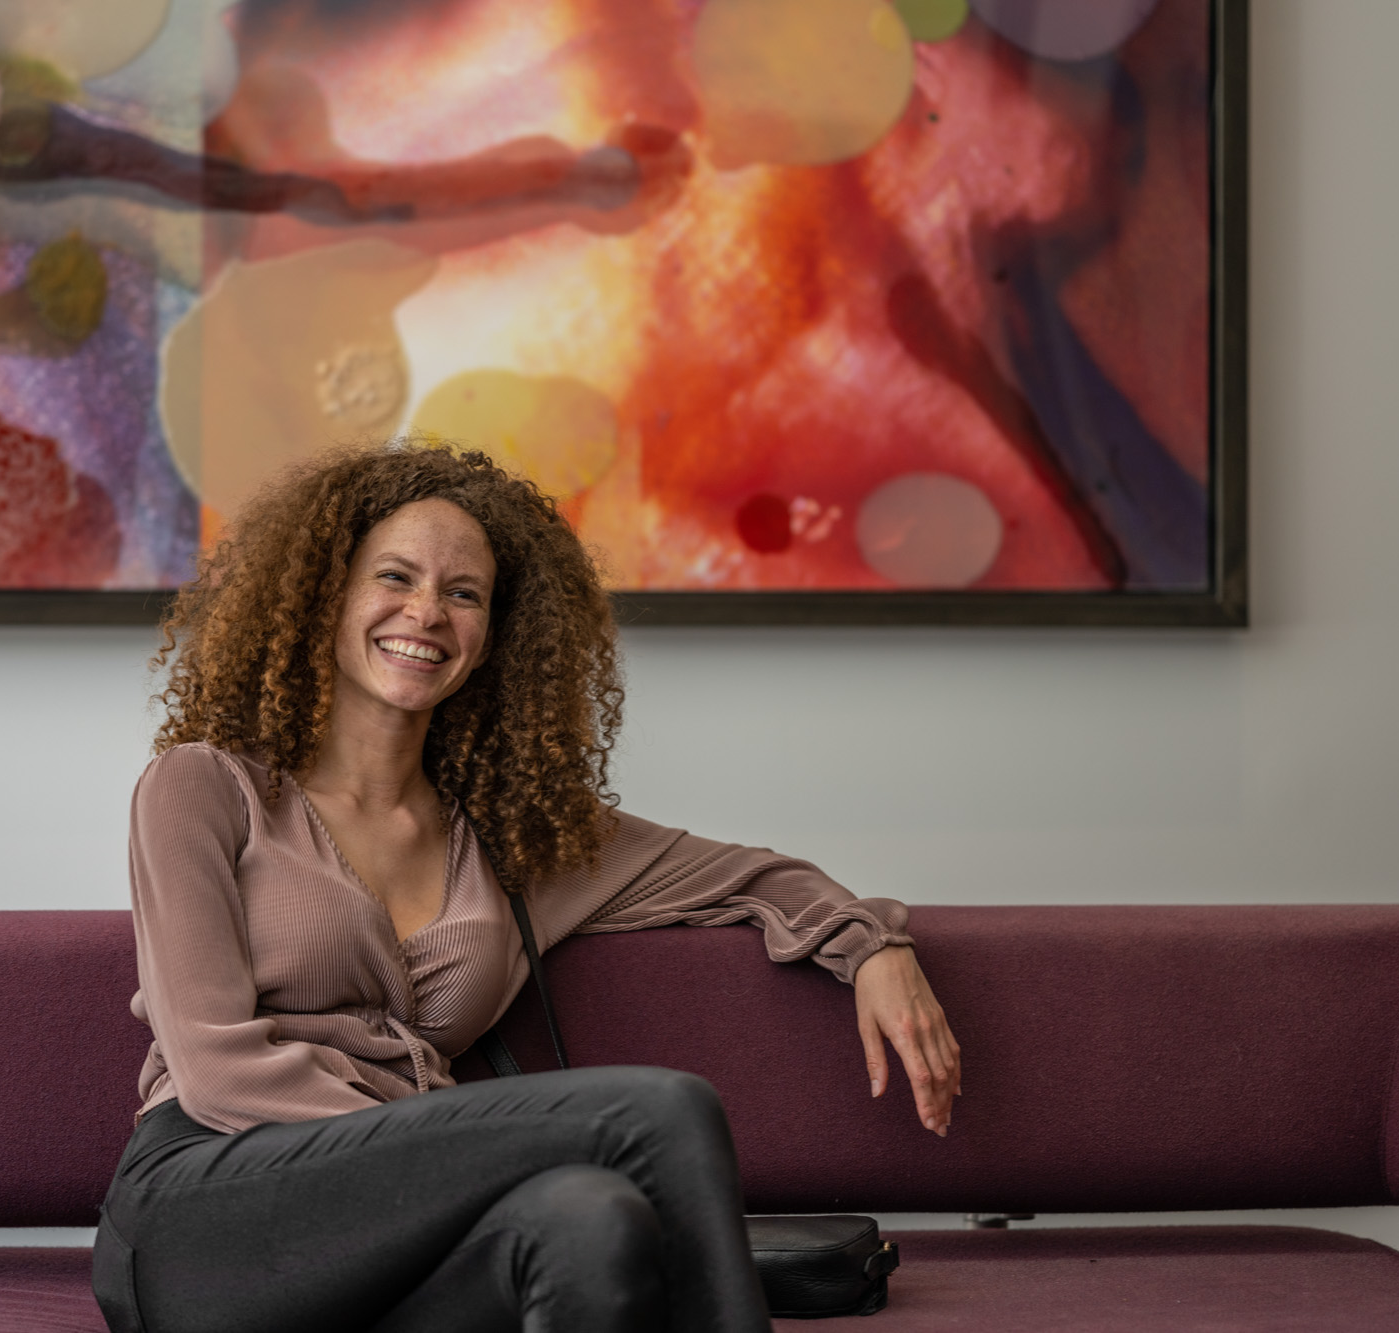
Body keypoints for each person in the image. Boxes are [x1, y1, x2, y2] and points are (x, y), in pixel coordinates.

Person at [95, 443, 962, 1333]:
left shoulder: (511, 844)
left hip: (397, 1233)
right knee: (661, 1109)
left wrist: (873, 945)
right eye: (394, 576)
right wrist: (454, 1142)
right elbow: (215, 1067)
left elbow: (754, 876)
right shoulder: (204, 786)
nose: (427, 611)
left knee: (593, 1220)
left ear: (494, 634)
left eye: (464, 593)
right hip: (205, 1211)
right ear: (325, 593)